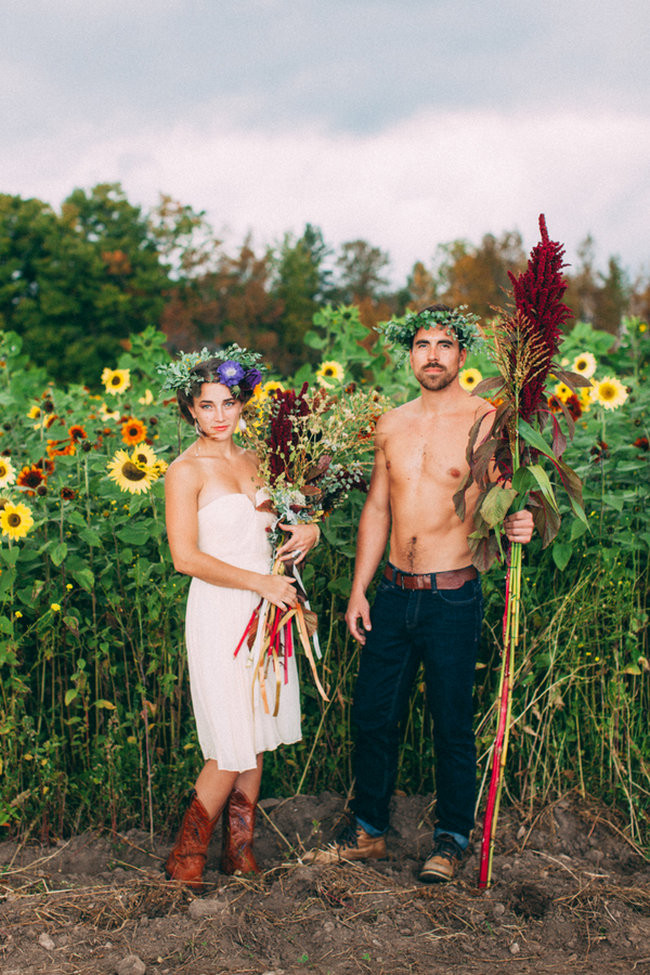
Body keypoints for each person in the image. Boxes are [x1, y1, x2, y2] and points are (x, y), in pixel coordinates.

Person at [310, 305, 534, 882]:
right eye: (421, 344)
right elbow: (378, 508)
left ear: (462, 355)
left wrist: (521, 522)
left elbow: (506, 498)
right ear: (409, 355)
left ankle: (452, 839)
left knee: (451, 721)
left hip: (451, 596)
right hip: (392, 592)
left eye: (444, 344)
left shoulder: (487, 419)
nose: (432, 354)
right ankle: (369, 831)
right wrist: (359, 590)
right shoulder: (391, 423)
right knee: (372, 717)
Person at [162, 350, 319, 891]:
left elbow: (283, 528)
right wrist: (260, 584)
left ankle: (240, 850)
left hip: (270, 608)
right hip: (222, 609)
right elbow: (185, 558)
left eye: (228, 403)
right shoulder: (184, 472)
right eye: (207, 406)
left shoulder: (258, 462)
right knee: (230, 736)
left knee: (255, 729)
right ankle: (186, 856)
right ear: (190, 410)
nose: (220, 415)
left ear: (241, 403)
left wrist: (309, 532)